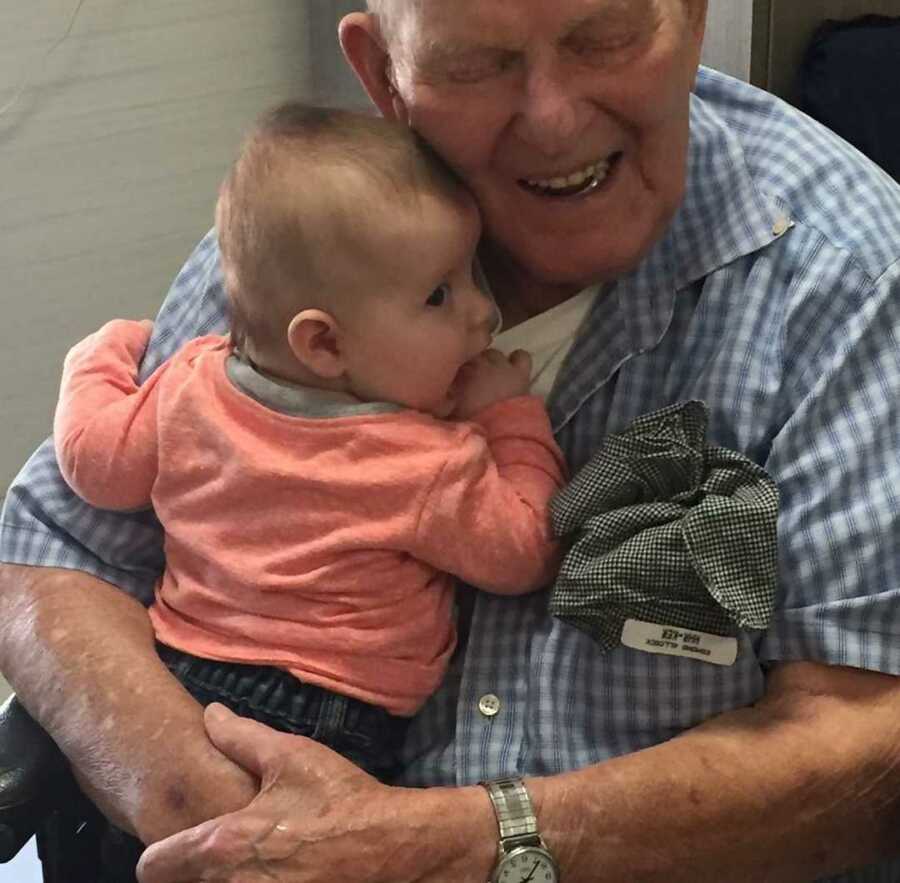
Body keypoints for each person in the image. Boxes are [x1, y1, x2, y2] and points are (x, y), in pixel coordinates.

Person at [1, 0, 900, 880]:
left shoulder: (852, 282)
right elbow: (48, 555)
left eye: (607, 38)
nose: (552, 120)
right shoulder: (319, 230)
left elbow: (864, 737)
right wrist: (222, 816)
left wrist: (466, 844)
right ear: (382, 74)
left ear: (695, 18)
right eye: (476, 64)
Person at [50, 102, 565, 787]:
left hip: (180, 683)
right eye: (440, 295)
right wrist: (510, 416)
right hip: (335, 716)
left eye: (475, 272)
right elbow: (526, 547)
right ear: (323, 343)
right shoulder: (421, 461)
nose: (484, 311)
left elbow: (93, 460)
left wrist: (102, 354)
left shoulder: (188, 387)